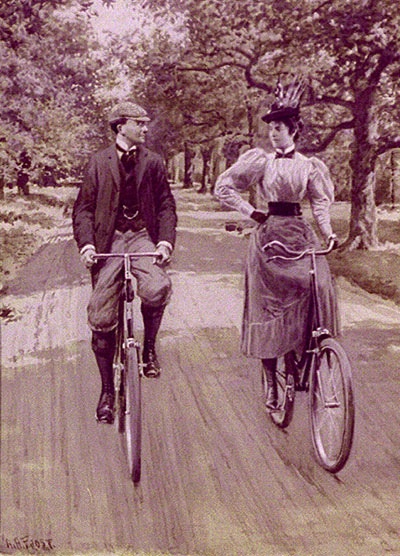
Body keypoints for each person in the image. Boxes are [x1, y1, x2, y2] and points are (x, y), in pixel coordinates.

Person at [214, 79, 338, 411]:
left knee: (316, 286)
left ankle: (302, 358)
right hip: (269, 237)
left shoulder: (309, 166)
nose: (273, 133)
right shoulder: (261, 161)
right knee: (268, 307)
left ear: (293, 130)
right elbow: (224, 187)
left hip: (299, 234)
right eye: (270, 128)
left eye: (279, 128)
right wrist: (252, 212)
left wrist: (328, 232)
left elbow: (320, 204)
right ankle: (270, 379)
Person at [72, 101, 177, 423]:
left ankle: (149, 349)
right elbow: (83, 209)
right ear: (121, 127)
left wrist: (164, 241)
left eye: (146, 123)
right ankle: (107, 391)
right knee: (101, 316)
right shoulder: (98, 162)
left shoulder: (153, 162)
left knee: (158, 287)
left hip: (143, 235)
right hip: (109, 240)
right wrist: (87, 245)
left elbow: (166, 205)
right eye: (139, 123)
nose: (145, 128)